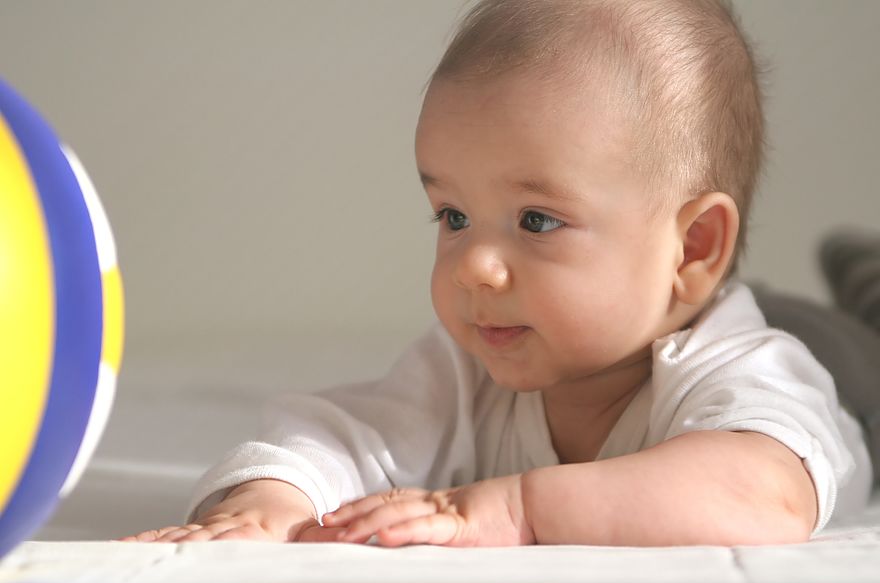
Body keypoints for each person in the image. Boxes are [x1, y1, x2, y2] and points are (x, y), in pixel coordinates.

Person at [124, 0, 874, 547]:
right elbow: (348, 436)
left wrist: (519, 509)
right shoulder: (473, 365)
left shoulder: (751, 373)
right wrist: (266, 503)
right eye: (452, 216)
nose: (475, 267)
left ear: (692, 247)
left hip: (845, 367)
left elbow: (762, 495)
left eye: (536, 220)